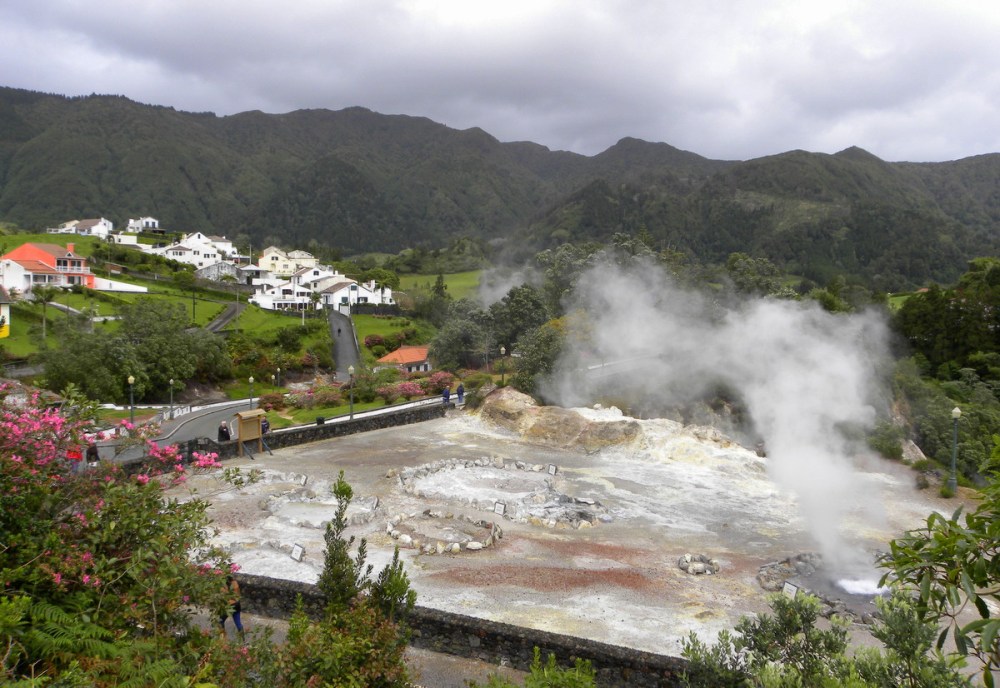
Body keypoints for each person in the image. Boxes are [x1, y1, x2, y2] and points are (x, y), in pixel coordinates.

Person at [219, 575, 244, 640]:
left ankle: (223, 639)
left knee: (220, 621)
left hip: (230, 606)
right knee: (238, 623)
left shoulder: (223, 586)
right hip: (237, 605)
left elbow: (223, 597)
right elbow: (238, 595)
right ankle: (243, 642)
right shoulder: (235, 583)